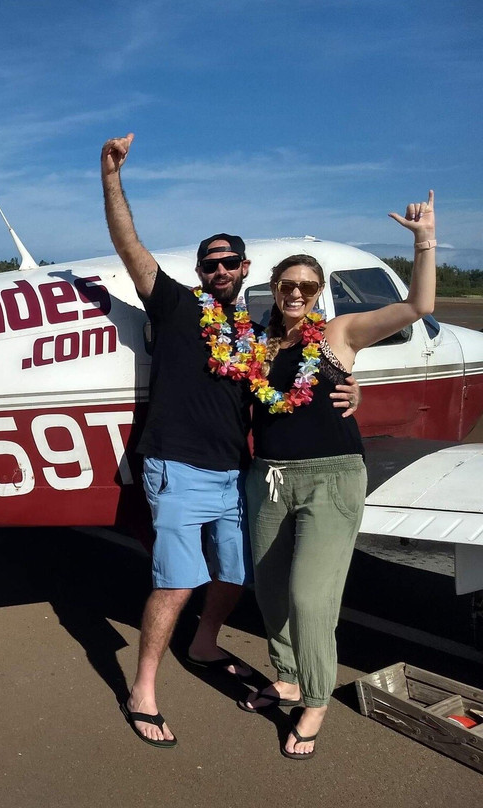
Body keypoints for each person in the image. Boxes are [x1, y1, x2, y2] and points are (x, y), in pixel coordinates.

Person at [100, 133, 360, 748]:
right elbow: (127, 244)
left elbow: (309, 366)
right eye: (208, 263)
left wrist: (354, 388)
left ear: (244, 271)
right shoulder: (174, 303)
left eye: (228, 262)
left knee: (240, 572)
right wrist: (112, 175)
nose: (217, 270)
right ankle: (143, 689)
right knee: (176, 580)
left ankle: (205, 641)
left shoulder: (255, 333)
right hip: (178, 463)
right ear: (198, 271)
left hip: (233, 469)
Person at [238, 192, 437, 760]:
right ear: (273, 291)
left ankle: (317, 698)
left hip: (331, 477)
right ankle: (289, 676)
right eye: (287, 286)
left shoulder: (340, 335)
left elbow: (419, 306)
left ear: (318, 293)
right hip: (269, 477)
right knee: (273, 591)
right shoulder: (258, 344)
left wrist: (423, 242)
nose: (296, 294)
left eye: (307, 287)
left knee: (309, 595)